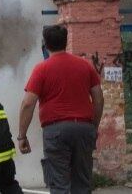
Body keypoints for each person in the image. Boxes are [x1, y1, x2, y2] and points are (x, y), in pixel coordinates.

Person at [17, 25, 104, 194]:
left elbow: (28, 103)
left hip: (55, 131)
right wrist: (93, 126)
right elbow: (99, 98)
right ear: (66, 42)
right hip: (84, 128)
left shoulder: (41, 69)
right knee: (82, 183)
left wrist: (22, 135)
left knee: (59, 183)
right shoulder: (85, 66)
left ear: (45, 44)